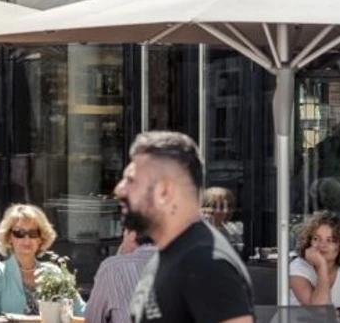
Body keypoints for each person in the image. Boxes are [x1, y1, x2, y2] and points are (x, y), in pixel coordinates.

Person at [119, 131, 253, 323]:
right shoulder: (171, 256)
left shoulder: (204, 262)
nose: (120, 189)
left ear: (164, 191)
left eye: (132, 181)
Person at [0, 204, 87, 322]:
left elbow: (81, 310)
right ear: (9, 238)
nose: (27, 239)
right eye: (19, 233)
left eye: (33, 233)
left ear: (40, 238)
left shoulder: (53, 272)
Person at [86, 228, 158, 323]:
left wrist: (119, 257)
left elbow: (92, 319)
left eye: (123, 233)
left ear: (132, 234)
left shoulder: (113, 268)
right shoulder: (180, 264)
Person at [290, 210, 340, 307]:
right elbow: (318, 309)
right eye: (316, 238)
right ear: (309, 241)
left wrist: (338, 313)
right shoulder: (298, 266)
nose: (322, 245)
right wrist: (322, 265)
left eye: (330, 240)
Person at [201, 186, 244, 253]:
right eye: (220, 206)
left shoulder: (233, 229)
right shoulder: (199, 230)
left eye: (229, 206)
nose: (226, 211)